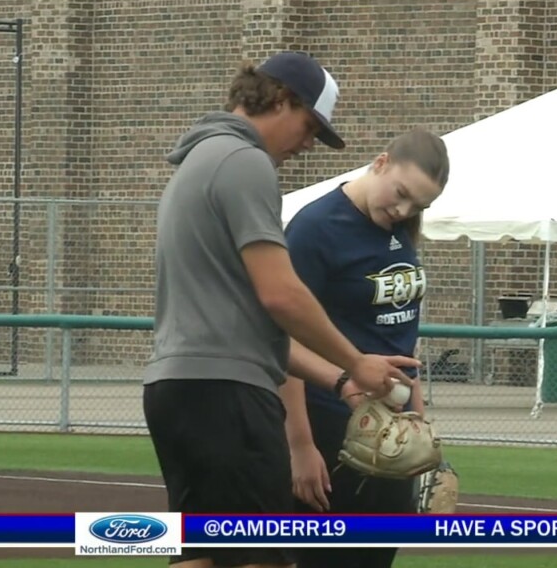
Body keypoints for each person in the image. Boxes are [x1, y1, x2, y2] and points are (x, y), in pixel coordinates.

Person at [141, 51, 418, 568]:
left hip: (177, 390)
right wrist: (357, 362)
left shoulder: (200, 161)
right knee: (264, 559)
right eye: (310, 125)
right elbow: (280, 296)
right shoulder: (246, 163)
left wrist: (339, 381)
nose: (309, 143)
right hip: (228, 395)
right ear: (282, 99)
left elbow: (248, 322)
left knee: (200, 556)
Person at [280, 128, 451, 568]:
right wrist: (300, 444)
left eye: (419, 206)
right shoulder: (316, 228)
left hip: (390, 432)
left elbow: (394, 331)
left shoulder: (396, 229)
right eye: (401, 194)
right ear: (380, 163)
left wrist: (416, 408)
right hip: (330, 427)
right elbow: (282, 338)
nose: (404, 209)